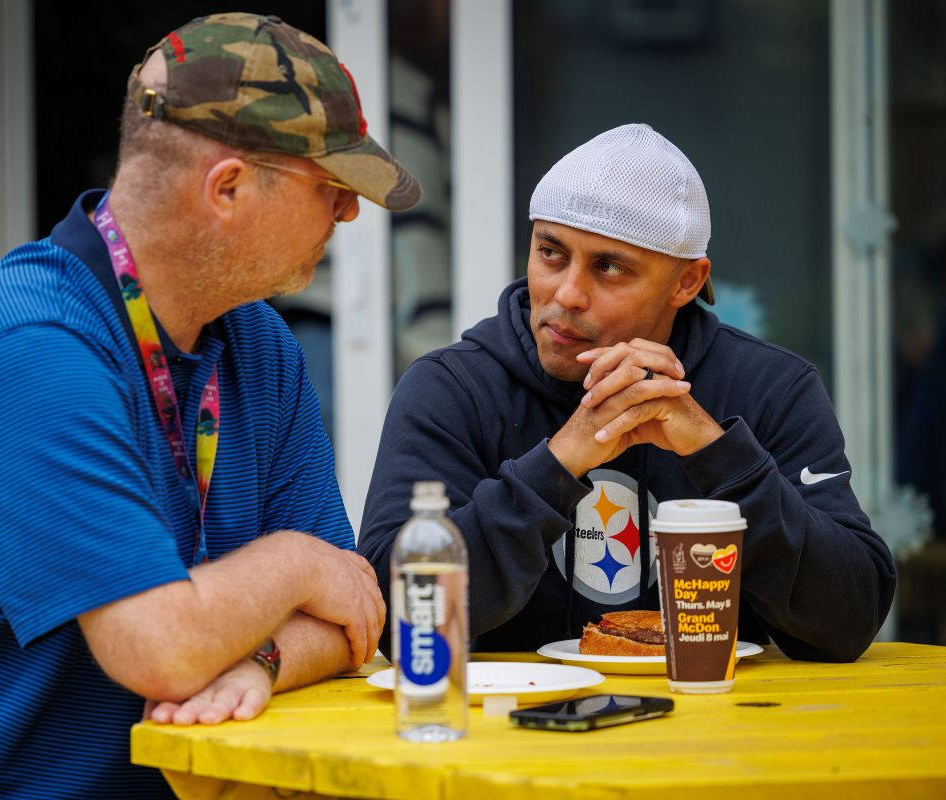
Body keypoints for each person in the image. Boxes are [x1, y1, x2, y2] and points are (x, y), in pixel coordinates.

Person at [0, 13, 420, 799]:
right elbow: (162, 650)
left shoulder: (260, 345)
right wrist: (293, 564)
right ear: (228, 189)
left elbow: (350, 618)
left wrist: (261, 658)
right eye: (330, 188)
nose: (348, 214)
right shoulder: (30, 347)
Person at [359, 123, 895, 663]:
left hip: (718, 711)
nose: (567, 294)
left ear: (686, 282)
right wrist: (560, 461)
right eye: (550, 252)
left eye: (609, 267)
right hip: (516, 712)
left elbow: (849, 622)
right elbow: (393, 619)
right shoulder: (452, 387)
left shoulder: (770, 388)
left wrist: (717, 454)